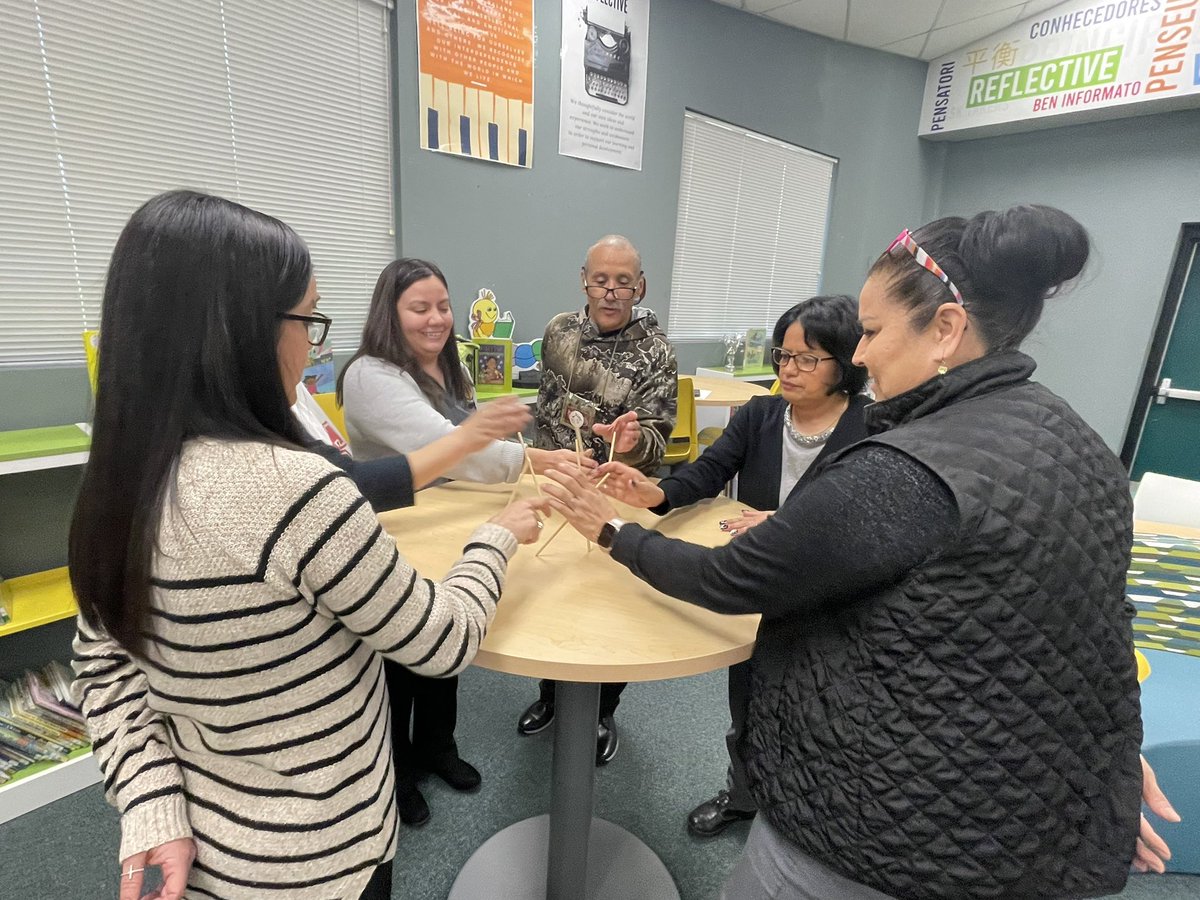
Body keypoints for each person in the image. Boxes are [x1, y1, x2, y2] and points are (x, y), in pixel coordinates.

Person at [543, 205, 1145, 899]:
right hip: (1018, 817)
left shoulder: (898, 468)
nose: (860, 356)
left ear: (945, 329)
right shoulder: (1079, 442)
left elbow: (734, 577)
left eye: (875, 333)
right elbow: (1095, 614)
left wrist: (615, 531)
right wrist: (1105, 748)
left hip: (879, 821)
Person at [68, 190, 548, 900]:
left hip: (207, 847)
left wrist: (150, 804)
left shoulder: (122, 479)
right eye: (307, 320)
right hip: (324, 858)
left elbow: (102, 667)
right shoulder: (299, 491)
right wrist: (496, 539)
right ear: (241, 332)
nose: (312, 345)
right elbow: (441, 643)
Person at [599, 294, 869, 836]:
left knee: (823, 714)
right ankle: (742, 796)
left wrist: (786, 520)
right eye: (782, 355)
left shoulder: (871, 427)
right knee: (747, 703)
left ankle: (809, 815)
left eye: (807, 359)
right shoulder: (762, 414)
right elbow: (707, 472)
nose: (788, 370)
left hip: (833, 598)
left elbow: (865, 520)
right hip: (760, 589)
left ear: (845, 364)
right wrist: (656, 494)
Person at [338, 258, 588, 826]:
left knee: (443, 642)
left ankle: (436, 747)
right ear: (390, 312)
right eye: (419, 308)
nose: (436, 320)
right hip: (397, 530)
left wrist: (535, 456)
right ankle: (396, 770)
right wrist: (527, 456)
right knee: (399, 655)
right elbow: (449, 446)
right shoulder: (370, 375)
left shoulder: (450, 367)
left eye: (443, 306)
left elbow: (472, 443)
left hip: (446, 524)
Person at [520, 233, 678, 765]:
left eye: (623, 282)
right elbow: (545, 409)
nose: (611, 292)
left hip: (613, 497)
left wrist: (633, 443)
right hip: (555, 487)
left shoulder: (657, 353)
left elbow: (659, 441)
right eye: (601, 280)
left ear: (641, 286)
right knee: (550, 598)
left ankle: (601, 709)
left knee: (609, 614)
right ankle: (550, 695)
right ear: (584, 280)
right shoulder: (558, 332)